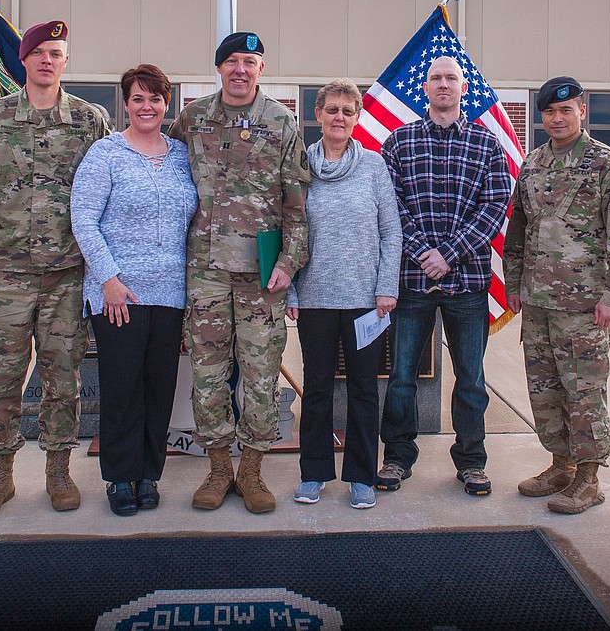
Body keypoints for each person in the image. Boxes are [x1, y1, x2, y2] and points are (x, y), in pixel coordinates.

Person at [0, 20, 112, 518]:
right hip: (4, 275)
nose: (48, 60)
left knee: (61, 380)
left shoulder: (89, 121)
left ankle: (58, 473)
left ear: (66, 61)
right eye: (39, 52)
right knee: (0, 380)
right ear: (22, 60)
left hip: (66, 275)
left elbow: (108, 192)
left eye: (57, 53)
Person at [168, 31, 310, 514]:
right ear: (219, 69)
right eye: (231, 61)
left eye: (249, 61)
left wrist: (289, 263)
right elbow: (167, 184)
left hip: (262, 274)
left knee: (260, 376)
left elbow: (297, 203)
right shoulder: (191, 119)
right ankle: (217, 468)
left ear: (261, 69)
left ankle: (251, 469)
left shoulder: (281, 122)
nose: (240, 70)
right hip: (205, 271)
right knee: (208, 374)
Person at [505, 76, 610, 514]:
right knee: (545, 390)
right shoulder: (533, 164)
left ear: (581, 111)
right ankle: (560, 465)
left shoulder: (607, 165)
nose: (557, 118)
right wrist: (514, 286)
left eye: (566, 110)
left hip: (585, 306)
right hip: (539, 303)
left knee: (583, 391)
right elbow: (518, 233)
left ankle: (589, 478)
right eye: (549, 111)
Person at [378, 55, 512, 497]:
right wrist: (423, 254)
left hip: (468, 284)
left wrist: (449, 254)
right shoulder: (398, 143)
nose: (442, 84)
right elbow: (390, 207)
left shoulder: (486, 145)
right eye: (435, 78)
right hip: (412, 284)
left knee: (471, 379)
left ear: (463, 87)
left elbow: (494, 207)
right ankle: (397, 458)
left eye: (450, 78)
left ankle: (472, 463)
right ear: (425, 87)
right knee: (401, 378)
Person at [70, 64, 197, 516]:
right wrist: (108, 279)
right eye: (138, 99)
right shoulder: (105, 153)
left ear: (168, 104)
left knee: (159, 387)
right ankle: (120, 477)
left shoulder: (182, 155)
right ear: (126, 103)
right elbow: (83, 218)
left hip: (170, 293)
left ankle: (149, 474)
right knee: (123, 387)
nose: (147, 107)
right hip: (119, 293)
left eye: (156, 99)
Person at [286, 79, 401, 509]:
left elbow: (391, 232)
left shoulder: (374, 166)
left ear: (357, 117)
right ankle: (313, 474)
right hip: (314, 299)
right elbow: (287, 232)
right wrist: (292, 292)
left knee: (364, 389)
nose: (339, 117)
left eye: (347, 111)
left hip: (364, 302)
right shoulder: (299, 166)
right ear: (318, 115)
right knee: (315, 388)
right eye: (331, 109)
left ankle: (361, 476)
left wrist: (386, 287)